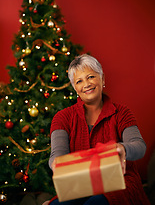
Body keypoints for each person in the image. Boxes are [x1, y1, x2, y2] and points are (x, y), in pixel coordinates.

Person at [48, 54, 150, 205]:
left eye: (90, 77)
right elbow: (57, 155)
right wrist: (56, 164)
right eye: (79, 81)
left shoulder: (122, 112)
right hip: (79, 183)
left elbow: (140, 146)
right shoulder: (62, 117)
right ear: (75, 88)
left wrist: (122, 148)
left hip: (119, 182)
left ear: (102, 79)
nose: (86, 84)